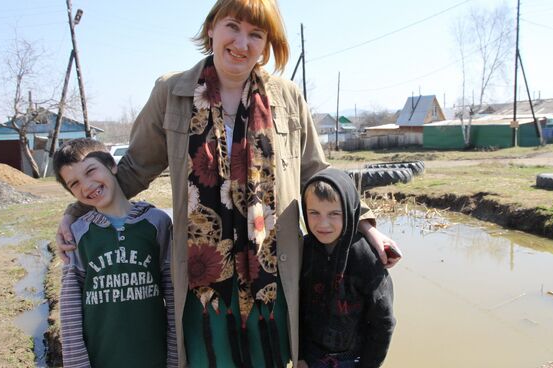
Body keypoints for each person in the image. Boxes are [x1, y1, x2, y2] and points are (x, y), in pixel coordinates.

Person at [55, 1, 401, 367]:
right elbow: (135, 169)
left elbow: (316, 171)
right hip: (201, 279)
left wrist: (365, 225)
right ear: (211, 29)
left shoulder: (286, 97)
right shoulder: (171, 92)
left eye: (256, 34)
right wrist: (75, 210)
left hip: (272, 272)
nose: (242, 42)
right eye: (232, 26)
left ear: (266, 45)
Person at [53, 138, 176, 368]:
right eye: (75, 183)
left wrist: (175, 357)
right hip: (102, 359)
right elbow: (69, 311)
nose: (87, 185)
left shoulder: (157, 223)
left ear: (111, 165)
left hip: (154, 358)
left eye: (91, 171)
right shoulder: (77, 235)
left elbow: (172, 295)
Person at [299, 168, 395, 368]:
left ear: (351, 213)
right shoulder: (302, 251)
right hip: (312, 358)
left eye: (334, 213)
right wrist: (300, 355)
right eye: (314, 213)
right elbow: (295, 309)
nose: (323, 223)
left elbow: (383, 322)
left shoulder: (366, 257)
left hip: (354, 359)